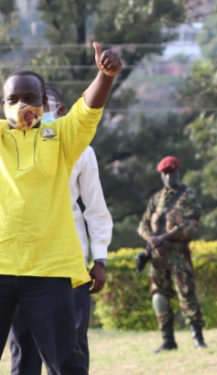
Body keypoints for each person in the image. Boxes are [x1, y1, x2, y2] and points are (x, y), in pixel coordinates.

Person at [0, 42, 121, 375]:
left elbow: (87, 110)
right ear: (3, 105)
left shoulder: (60, 138)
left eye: (31, 99)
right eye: (13, 100)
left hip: (50, 272)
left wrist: (104, 75)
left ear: (44, 104)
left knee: (66, 363)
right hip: (1, 267)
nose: (22, 105)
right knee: (21, 359)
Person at [137, 156, 206, 352]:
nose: (169, 177)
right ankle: (168, 340)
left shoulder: (187, 196)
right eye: (165, 174)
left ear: (178, 172)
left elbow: (192, 225)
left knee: (187, 294)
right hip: (157, 257)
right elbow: (143, 224)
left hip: (178, 255)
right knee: (159, 297)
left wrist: (166, 236)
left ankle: (197, 338)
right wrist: (150, 238)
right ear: (161, 175)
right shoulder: (156, 199)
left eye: (172, 173)